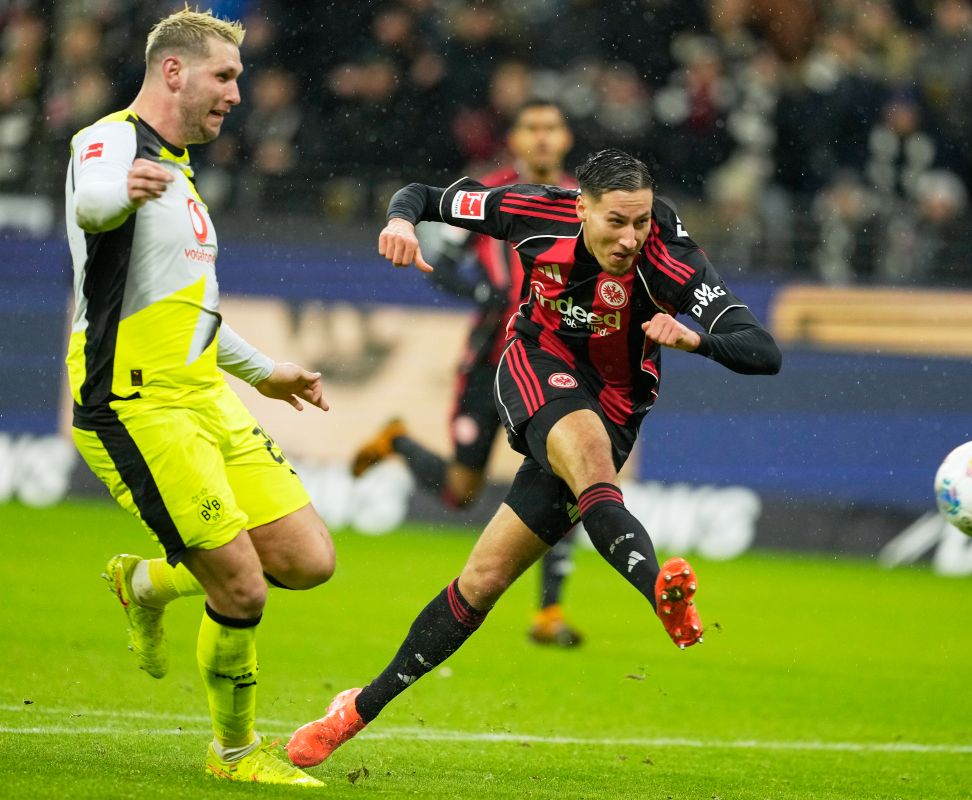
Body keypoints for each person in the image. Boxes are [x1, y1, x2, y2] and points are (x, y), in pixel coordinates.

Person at [287, 148, 782, 767]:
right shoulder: (530, 209)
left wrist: (696, 338)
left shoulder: (672, 261)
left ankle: (355, 711)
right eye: (616, 223)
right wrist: (398, 221)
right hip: (533, 365)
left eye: (641, 222)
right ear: (581, 208)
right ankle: (659, 590)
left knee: (482, 583)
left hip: (619, 409)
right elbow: (423, 194)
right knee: (593, 463)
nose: (630, 238)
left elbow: (763, 350)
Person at [65, 9, 332, 787]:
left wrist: (264, 371)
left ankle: (143, 581)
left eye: (240, 78)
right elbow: (91, 200)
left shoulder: (179, 172)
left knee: (307, 560)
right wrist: (124, 190)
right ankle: (236, 754)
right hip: (133, 400)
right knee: (243, 585)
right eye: (225, 76)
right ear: (173, 72)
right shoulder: (111, 141)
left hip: (201, 391)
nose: (237, 94)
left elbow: (190, 307)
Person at [351, 98, 586, 648]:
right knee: (461, 492)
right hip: (489, 359)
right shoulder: (488, 194)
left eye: (553, 127)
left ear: (566, 137)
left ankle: (549, 613)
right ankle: (398, 443)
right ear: (517, 138)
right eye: (532, 128)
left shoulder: (586, 200)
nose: (544, 138)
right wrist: (482, 290)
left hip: (554, 357)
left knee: (573, 472)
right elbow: (436, 255)